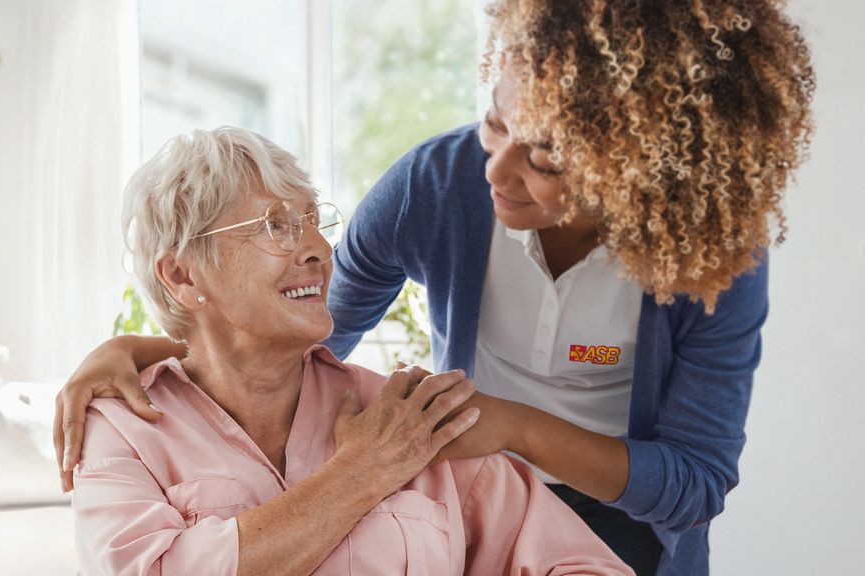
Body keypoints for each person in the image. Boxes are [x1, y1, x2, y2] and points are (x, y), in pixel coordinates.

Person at [57, 1, 815, 574]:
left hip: (625, 519)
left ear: (636, 168)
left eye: (545, 157)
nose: (495, 168)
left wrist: (512, 426)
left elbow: (696, 482)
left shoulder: (712, 257)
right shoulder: (438, 184)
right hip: (472, 477)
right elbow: (312, 321)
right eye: (495, 123)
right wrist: (142, 346)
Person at [71, 126, 633, 575]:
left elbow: (586, 564)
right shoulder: (123, 430)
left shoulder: (406, 417)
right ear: (181, 274)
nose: (318, 248)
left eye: (315, 221)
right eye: (276, 226)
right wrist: (362, 472)